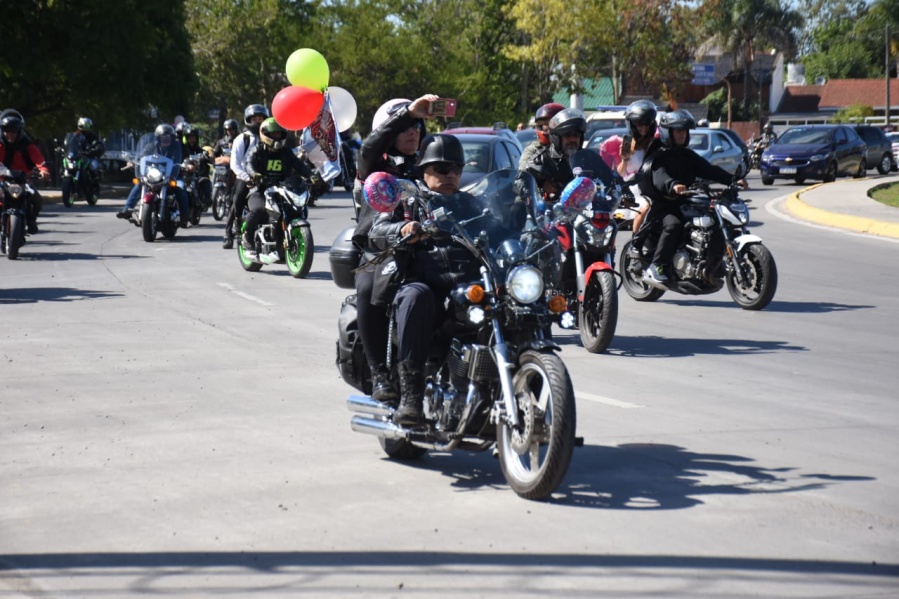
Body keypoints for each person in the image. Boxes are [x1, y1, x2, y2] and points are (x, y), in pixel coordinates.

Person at [368, 133, 485, 426]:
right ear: (424, 170)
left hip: (468, 286)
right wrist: (404, 229)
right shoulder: (406, 200)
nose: (451, 176)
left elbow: (500, 228)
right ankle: (411, 396)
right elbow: (378, 230)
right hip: (426, 281)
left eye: (456, 170)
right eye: (442, 169)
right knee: (414, 297)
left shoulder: (471, 203)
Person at [352, 94, 436, 404]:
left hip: (428, 247)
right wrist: (407, 112)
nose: (412, 132)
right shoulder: (373, 163)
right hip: (382, 249)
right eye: (404, 128)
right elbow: (369, 147)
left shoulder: (428, 165)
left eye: (416, 126)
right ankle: (379, 373)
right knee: (367, 287)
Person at [637, 109, 746, 287]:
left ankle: (710, 265)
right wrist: (672, 185)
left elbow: (709, 170)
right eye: (677, 131)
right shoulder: (659, 156)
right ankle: (657, 267)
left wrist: (733, 180)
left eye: (684, 131)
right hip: (664, 205)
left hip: (685, 201)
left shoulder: (687, 155)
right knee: (674, 225)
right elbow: (660, 176)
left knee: (714, 219)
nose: (681, 134)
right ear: (668, 133)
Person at [241, 118, 314, 250]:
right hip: (260, 190)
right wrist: (254, 174)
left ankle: (283, 240)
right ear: (265, 134)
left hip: (282, 190)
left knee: (296, 209)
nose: (277, 137)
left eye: (279, 134)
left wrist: (311, 175)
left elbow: (299, 165)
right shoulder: (258, 150)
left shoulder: (286, 152)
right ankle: (248, 237)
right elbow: (249, 163)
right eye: (274, 134)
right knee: (258, 209)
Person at [525, 107, 616, 204]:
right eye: (567, 136)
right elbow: (523, 182)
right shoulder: (543, 159)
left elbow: (611, 179)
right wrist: (541, 184)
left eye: (576, 135)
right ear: (557, 138)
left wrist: (624, 192)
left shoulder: (590, 158)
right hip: (556, 214)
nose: (573, 140)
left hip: (589, 212)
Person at [116, 123, 189, 225]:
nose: (166, 138)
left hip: (173, 175)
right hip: (154, 175)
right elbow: (142, 156)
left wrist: (187, 163)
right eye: (163, 136)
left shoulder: (177, 146)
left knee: (180, 187)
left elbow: (186, 157)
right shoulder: (151, 146)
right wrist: (133, 161)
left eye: (168, 136)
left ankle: (184, 216)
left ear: (172, 137)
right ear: (158, 138)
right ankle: (127, 209)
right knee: (140, 184)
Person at [223, 104, 269, 249]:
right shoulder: (242, 139)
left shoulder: (269, 137)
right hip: (244, 175)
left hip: (265, 176)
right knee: (238, 196)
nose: (258, 121)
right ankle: (230, 231)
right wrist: (246, 177)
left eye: (261, 119)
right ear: (248, 120)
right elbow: (235, 164)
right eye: (255, 119)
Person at [0, 113, 50, 234]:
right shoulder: (0, 145)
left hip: (23, 181)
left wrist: (44, 170)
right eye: (7, 130)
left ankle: (31, 220)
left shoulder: (28, 146)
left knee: (37, 199)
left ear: (19, 132)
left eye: (13, 131)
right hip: (2, 181)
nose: (10, 134)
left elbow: (39, 160)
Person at [615, 100, 658, 235]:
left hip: (652, 186)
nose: (644, 127)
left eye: (647, 124)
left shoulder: (655, 143)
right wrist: (624, 159)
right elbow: (621, 174)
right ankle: (635, 240)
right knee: (645, 207)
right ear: (633, 124)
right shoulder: (627, 142)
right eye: (640, 124)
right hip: (634, 187)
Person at [518, 102, 564, 171]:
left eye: (554, 124)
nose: (550, 127)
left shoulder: (568, 147)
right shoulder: (533, 150)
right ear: (540, 126)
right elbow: (524, 173)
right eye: (546, 124)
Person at [66, 117, 105, 184]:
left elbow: (98, 143)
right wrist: (64, 148)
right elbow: (68, 143)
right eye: (83, 126)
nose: (85, 129)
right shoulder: (74, 135)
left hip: (88, 155)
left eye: (87, 126)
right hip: (76, 156)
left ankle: (94, 182)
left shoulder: (92, 136)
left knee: (93, 165)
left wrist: (96, 149)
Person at [182, 125, 212, 210]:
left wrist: (208, 156)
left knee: (205, 181)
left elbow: (209, 158)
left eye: (194, 138)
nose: (192, 140)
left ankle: (206, 201)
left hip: (198, 175)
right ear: (186, 138)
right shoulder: (182, 149)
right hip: (184, 174)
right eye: (190, 138)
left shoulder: (200, 150)